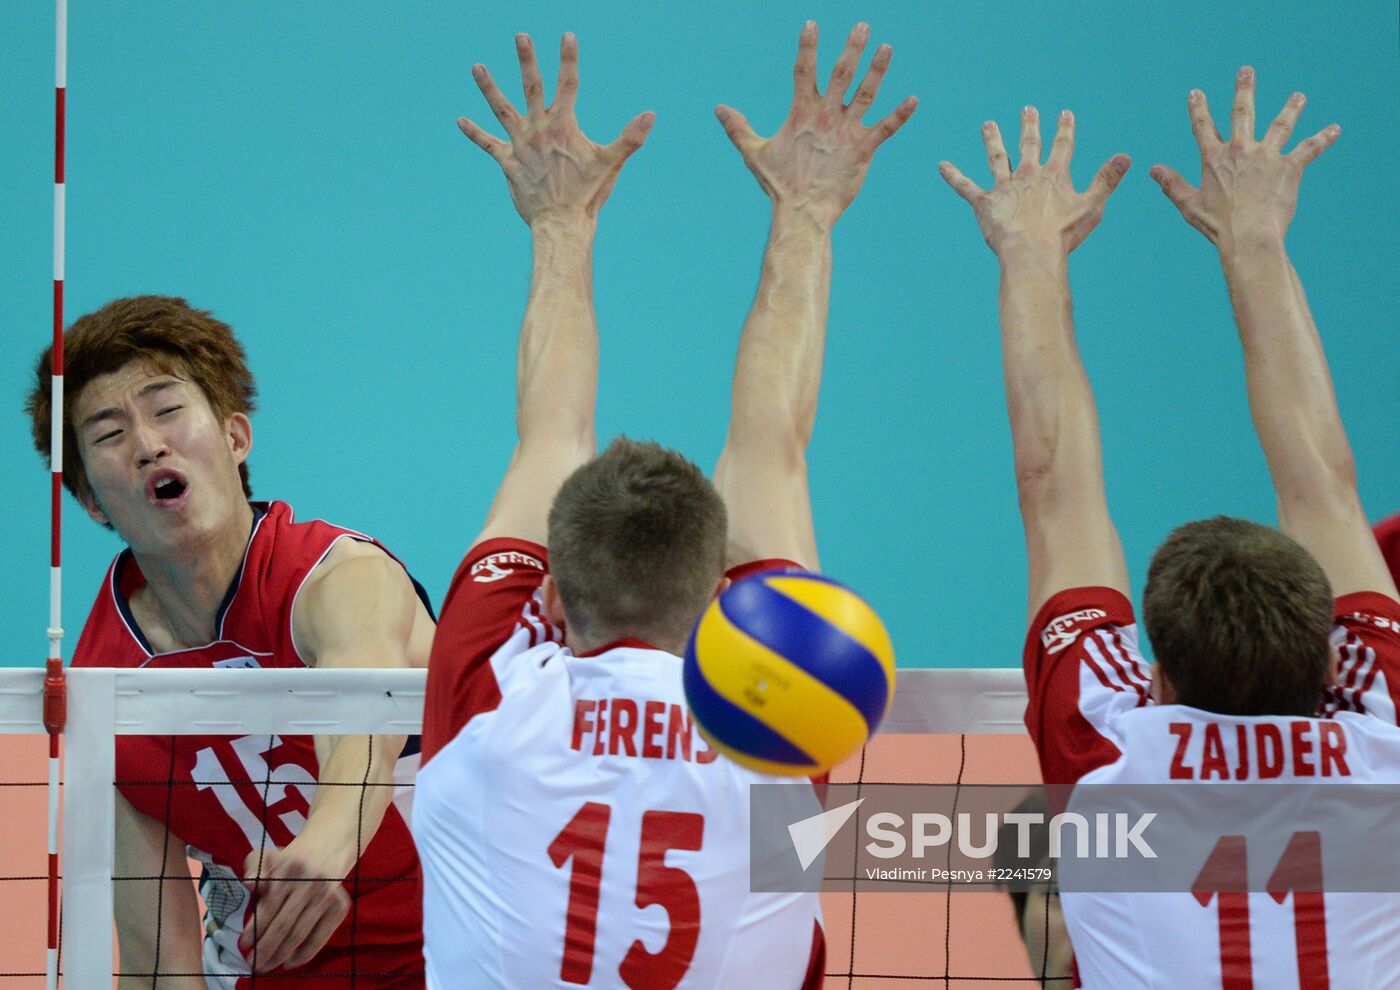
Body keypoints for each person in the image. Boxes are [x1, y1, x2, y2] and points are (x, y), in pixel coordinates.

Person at [413, 24, 914, 989]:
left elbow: (549, 437)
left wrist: (560, 222)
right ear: (723, 603)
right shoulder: (777, 730)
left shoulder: (487, 696)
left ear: (550, 601)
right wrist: (808, 208)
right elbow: (772, 441)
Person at [941, 70, 1400, 987]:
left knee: (1034, 835)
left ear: (1152, 676)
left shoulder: (1111, 750)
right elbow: (1325, 487)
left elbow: (1052, 485)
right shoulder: (1382, 738)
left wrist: (1032, 254)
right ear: (1328, 662)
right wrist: (1257, 241)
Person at [26, 296, 433, 988]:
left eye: (167, 409)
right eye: (108, 433)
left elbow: (361, 707)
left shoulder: (340, 576)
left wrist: (325, 848)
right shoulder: (105, 687)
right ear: (92, 502)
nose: (149, 442)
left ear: (236, 438)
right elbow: (158, 957)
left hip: (462, 955)